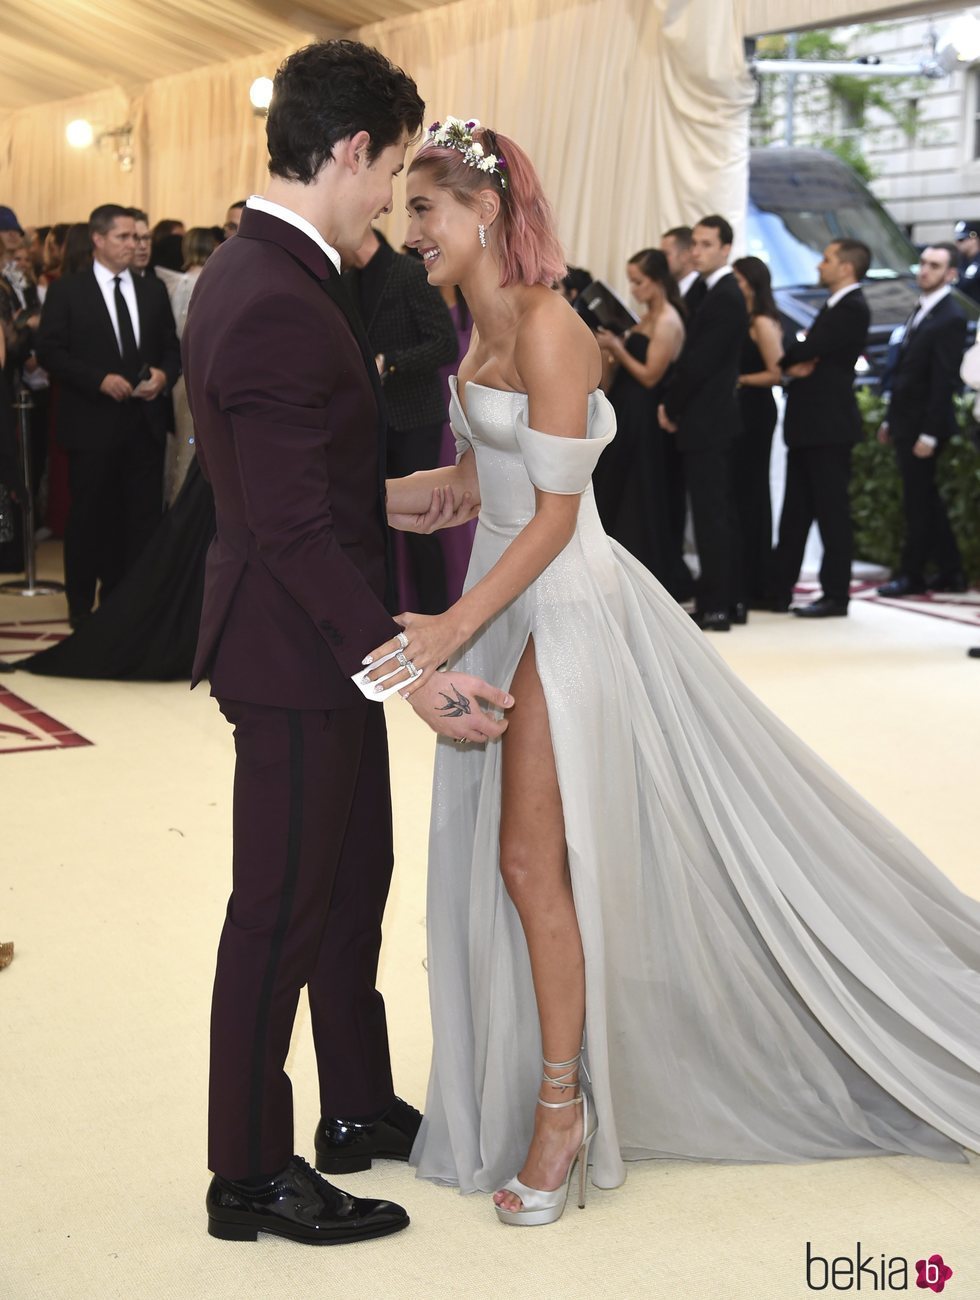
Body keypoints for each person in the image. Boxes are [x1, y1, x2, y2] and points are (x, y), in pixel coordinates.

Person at [363, 116, 980, 1227]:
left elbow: (552, 521)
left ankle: (562, 1108)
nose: (408, 228)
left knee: (523, 859)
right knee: (522, 862)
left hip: (562, 607)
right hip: (504, 599)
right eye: (407, 207)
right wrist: (336, 497)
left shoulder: (549, 326)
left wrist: (452, 626)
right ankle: (558, 1082)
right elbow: (473, 485)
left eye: (425, 206)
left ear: (487, 209)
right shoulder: (474, 334)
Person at [181, 43, 512, 1248]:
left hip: (310, 639)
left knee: (347, 881)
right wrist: (410, 671)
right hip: (292, 652)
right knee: (276, 907)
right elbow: (282, 527)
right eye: (388, 173)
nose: (391, 202)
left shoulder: (272, 268)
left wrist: (391, 496)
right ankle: (249, 1171)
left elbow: (290, 480)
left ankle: (355, 1102)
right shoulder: (274, 289)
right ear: (351, 151)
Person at [36, 203, 181, 628]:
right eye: (123, 237)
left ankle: (128, 605)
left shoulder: (151, 289)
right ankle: (81, 607)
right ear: (98, 239)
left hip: (144, 425)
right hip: (92, 425)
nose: (133, 245)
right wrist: (98, 379)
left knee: (139, 520)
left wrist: (163, 374)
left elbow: (172, 349)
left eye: (137, 238)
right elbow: (49, 350)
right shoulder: (69, 290)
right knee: (89, 519)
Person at [345, 225, 458, 613]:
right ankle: (385, 622)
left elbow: (445, 342)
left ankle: (437, 623)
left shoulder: (409, 273)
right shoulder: (344, 279)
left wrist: (389, 362)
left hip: (414, 421)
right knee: (374, 529)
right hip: (368, 424)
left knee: (424, 529)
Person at [770, 239, 871, 619]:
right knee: (796, 510)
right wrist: (799, 358)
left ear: (846, 267)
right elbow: (803, 353)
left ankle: (835, 595)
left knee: (831, 513)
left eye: (826, 259)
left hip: (829, 427)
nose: (819, 265)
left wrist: (797, 356)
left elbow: (802, 350)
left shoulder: (852, 307)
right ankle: (779, 588)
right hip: (811, 426)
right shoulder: (836, 305)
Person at [658, 215, 747, 630]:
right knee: (712, 514)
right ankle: (721, 599)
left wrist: (671, 406)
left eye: (707, 244)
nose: (697, 251)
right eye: (694, 243)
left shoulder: (726, 294)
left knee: (713, 515)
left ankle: (718, 604)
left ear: (727, 249)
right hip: (707, 418)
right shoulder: (714, 291)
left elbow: (699, 364)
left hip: (709, 419)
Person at [591, 248, 687, 595]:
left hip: (646, 415)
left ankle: (646, 575)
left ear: (658, 281)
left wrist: (617, 346)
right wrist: (607, 353)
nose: (633, 289)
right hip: (626, 408)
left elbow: (650, 376)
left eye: (639, 282)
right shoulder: (645, 318)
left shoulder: (668, 321)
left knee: (640, 493)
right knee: (616, 487)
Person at [876, 244, 968, 598]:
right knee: (926, 500)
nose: (924, 270)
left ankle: (912, 574)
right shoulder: (923, 309)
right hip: (906, 420)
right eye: (923, 263)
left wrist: (929, 433)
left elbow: (943, 380)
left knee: (918, 502)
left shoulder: (950, 316)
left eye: (934, 265)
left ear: (951, 274)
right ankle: (951, 570)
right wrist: (889, 419)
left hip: (925, 424)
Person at [732, 255, 782, 609]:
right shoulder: (741, 317)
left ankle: (759, 577)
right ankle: (743, 574)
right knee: (739, 492)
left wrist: (740, 380)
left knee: (752, 491)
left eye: (737, 279)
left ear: (750, 282)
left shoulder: (762, 321)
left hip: (756, 408)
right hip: (739, 409)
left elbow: (776, 373)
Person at [953, 218, 980, 305]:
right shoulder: (961, 260)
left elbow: (963, 284)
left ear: (973, 239)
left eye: (961, 240)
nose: (957, 243)